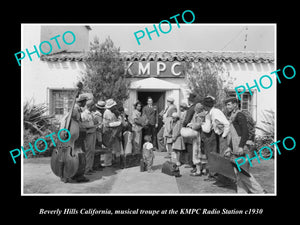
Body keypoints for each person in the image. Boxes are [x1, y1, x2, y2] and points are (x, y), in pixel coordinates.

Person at [224, 97, 265, 194]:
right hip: (236, 146)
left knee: (243, 172)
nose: (227, 106)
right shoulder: (233, 115)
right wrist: (230, 147)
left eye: (229, 104)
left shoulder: (240, 115)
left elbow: (245, 132)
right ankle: (242, 192)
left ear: (235, 104)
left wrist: (241, 146)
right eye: (227, 104)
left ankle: (260, 192)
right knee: (238, 171)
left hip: (242, 146)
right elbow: (233, 134)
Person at [201, 96, 230, 181]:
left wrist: (224, 136)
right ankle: (219, 176)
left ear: (206, 106)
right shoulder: (211, 113)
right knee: (218, 155)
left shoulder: (215, 112)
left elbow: (227, 124)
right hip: (219, 135)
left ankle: (224, 177)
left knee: (222, 155)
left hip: (222, 135)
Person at [187, 103, 208, 176]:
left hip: (198, 136)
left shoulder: (199, 115)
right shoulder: (205, 114)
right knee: (203, 152)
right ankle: (204, 170)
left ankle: (198, 171)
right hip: (204, 136)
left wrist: (191, 125)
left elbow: (197, 125)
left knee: (197, 152)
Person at [103, 99, 123, 167]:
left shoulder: (113, 111)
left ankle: (113, 160)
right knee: (109, 146)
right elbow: (108, 124)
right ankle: (107, 162)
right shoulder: (107, 112)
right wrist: (118, 123)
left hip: (113, 131)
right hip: (108, 131)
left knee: (114, 146)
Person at [81, 100, 98, 175]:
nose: (94, 107)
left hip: (93, 132)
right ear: (89, 106)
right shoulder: (84, 114)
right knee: (88, 151)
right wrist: (93, 125)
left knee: (92, 151)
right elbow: (84, 125)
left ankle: (90, 167)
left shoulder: (92, 114)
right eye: (93, 105)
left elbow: (94, 122)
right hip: (88, 134)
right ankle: (86, 169)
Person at [182, 93, 198, 169]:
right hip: (196, 128)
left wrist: (183, 126)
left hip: (190, 128)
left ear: (189, 100)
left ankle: (191, 163)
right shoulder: (197, 107)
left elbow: (187, 119)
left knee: (189, 145)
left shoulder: (191, 108)